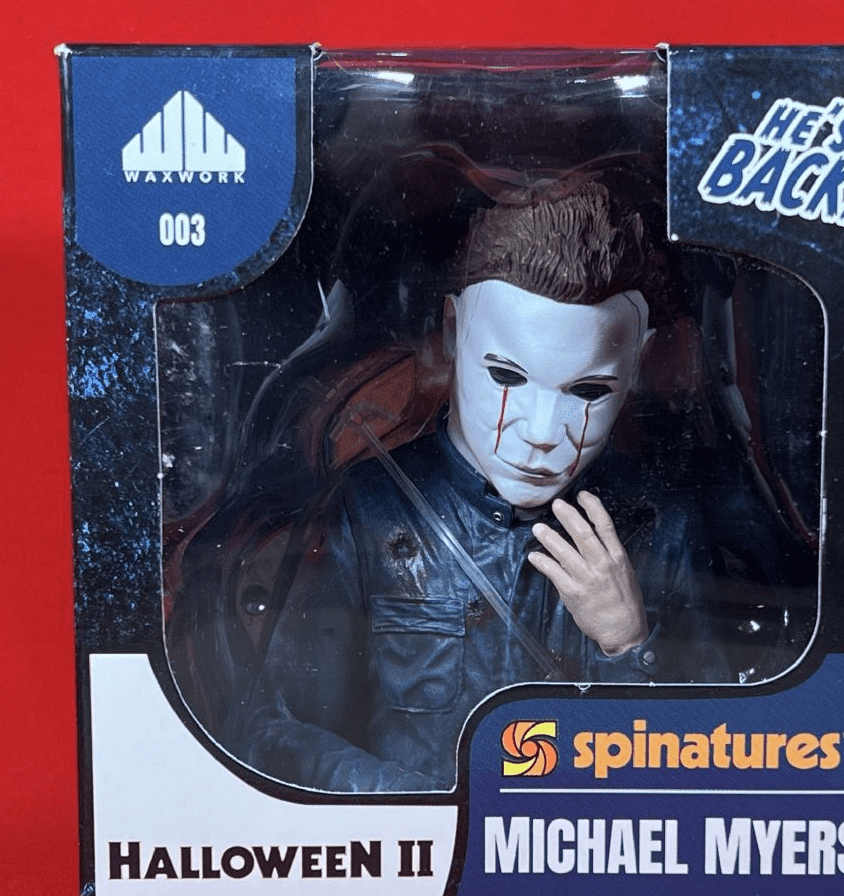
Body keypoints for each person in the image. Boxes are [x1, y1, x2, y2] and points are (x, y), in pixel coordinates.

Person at [221, 179, 731, 792]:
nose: (541, 433)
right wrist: (429, 813)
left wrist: (629, 645)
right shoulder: (371, 507)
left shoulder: (659, 525)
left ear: (638, 364)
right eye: (507, 376)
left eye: (588, 391)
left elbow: (716, 760)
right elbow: (278, 733)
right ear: (452, 331)